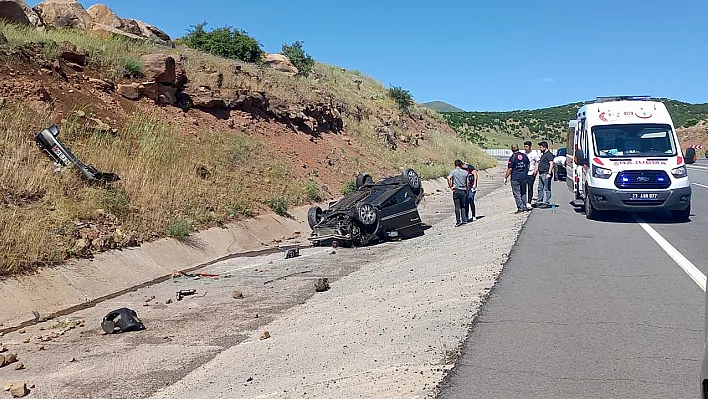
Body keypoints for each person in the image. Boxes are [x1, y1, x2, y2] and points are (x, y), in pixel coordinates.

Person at [504, 144, 531, 213]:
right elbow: (528, 165)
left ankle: (520, 208)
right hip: (524, 177)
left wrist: (505, 177)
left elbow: (510, 169)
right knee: (523, 192)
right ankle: (524, 206)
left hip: (515, 177)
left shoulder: (512, 157)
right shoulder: (524, 156)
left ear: (512, 149)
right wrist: (525, 172)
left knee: (517, 193)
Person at [448, 159, 470, 227]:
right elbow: (468, 182)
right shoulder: (465, 172)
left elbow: (448, 178)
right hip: (463, 190)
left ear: (455, 165)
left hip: (456, 190)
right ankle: (464, 220)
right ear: (461, 165)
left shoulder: (453, 172)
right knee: (463, 206)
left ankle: (458, 221)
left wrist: (451, 187)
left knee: (457, 206)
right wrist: (467, 190)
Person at [536, 141, 555, 208]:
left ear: (544, 147)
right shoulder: (543, 154)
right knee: (540, 188)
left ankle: (547, 202)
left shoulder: (549, 154)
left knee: (547, 188)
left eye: (541, 147)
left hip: (546, 173)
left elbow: (551, 164)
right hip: (541, 173)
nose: (540, 148)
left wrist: (549, 173)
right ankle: (539, 201)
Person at [524, 141, 540, 208]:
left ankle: (529, 202)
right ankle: (524, 201)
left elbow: (538, 161)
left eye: (526, 146)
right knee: (523, 188)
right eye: (524, 146)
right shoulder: (524, 154)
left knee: (530, 187)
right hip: (524, 173)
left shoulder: (534, 154)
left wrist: (536, 170)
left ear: (530, 147)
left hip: (531, 173)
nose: (525, 148)